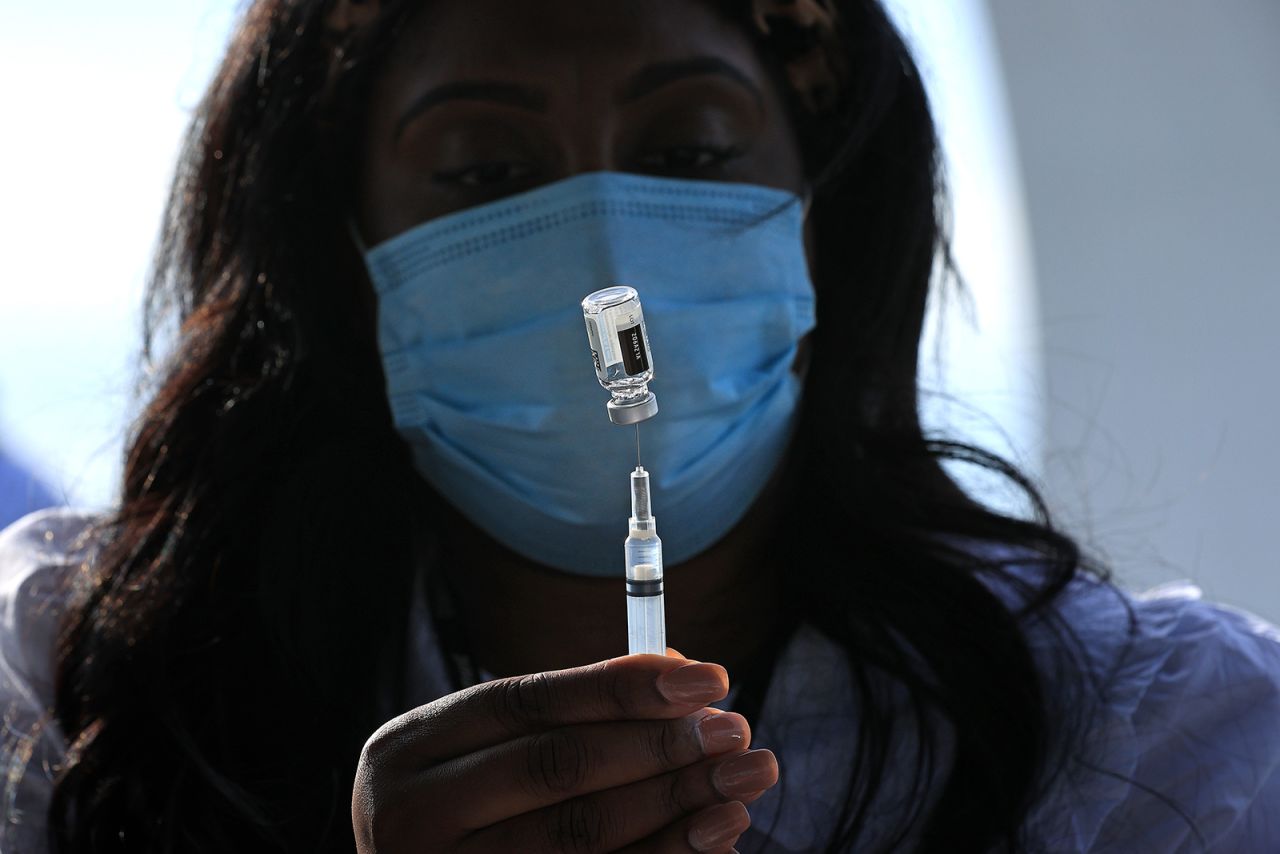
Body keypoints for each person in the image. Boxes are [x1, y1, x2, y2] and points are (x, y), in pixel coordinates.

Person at [2, 0, 1278, 851]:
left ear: (824, 207)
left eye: (693, 148)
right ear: (344, 257)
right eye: (485, 172)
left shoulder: (1169, 742)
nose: (605, 251)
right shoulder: (72, 692)